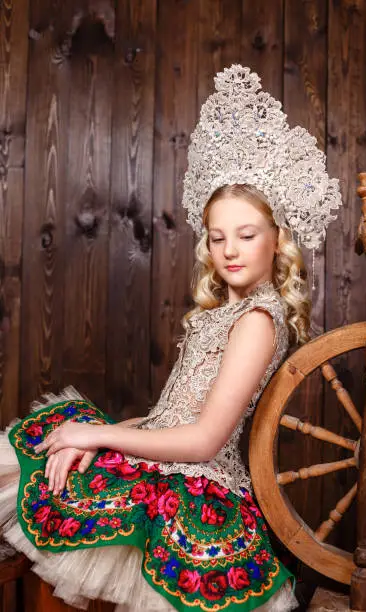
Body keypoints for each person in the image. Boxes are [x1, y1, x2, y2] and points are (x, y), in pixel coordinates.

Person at [0, 65, 341, 612]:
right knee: (51, 451)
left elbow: (203, 441)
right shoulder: (221, 312)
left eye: (247, 235)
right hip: (162, 454)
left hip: (200, 484)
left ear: (278, 240)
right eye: (218, 236)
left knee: (71, 466)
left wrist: (99, 440)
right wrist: (103, 433)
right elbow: (169, 418)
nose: (230, 249)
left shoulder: (257, 320)